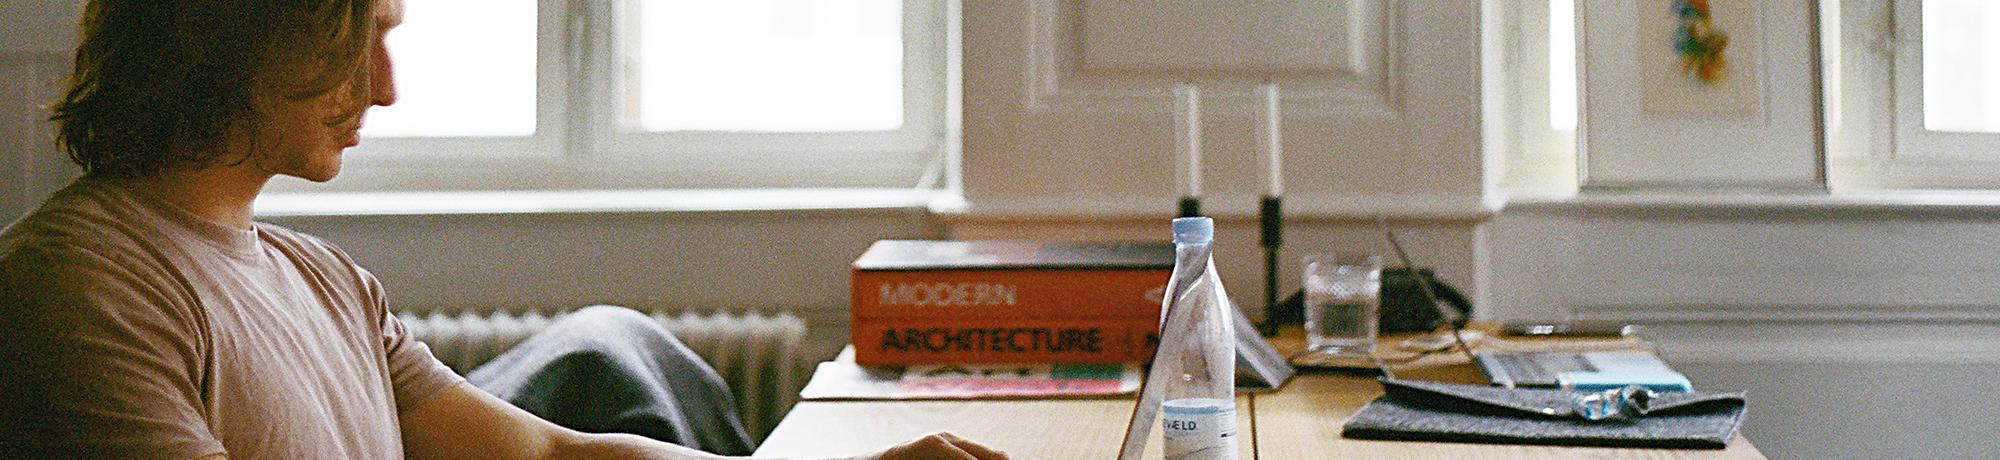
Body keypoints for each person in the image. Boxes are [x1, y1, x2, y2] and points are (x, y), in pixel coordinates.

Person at [0, 1, 1007, 459]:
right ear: (240, 29)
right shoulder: (81, 292)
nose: (385, 90)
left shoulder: (325, 279)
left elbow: (548, 453)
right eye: (364, 38)